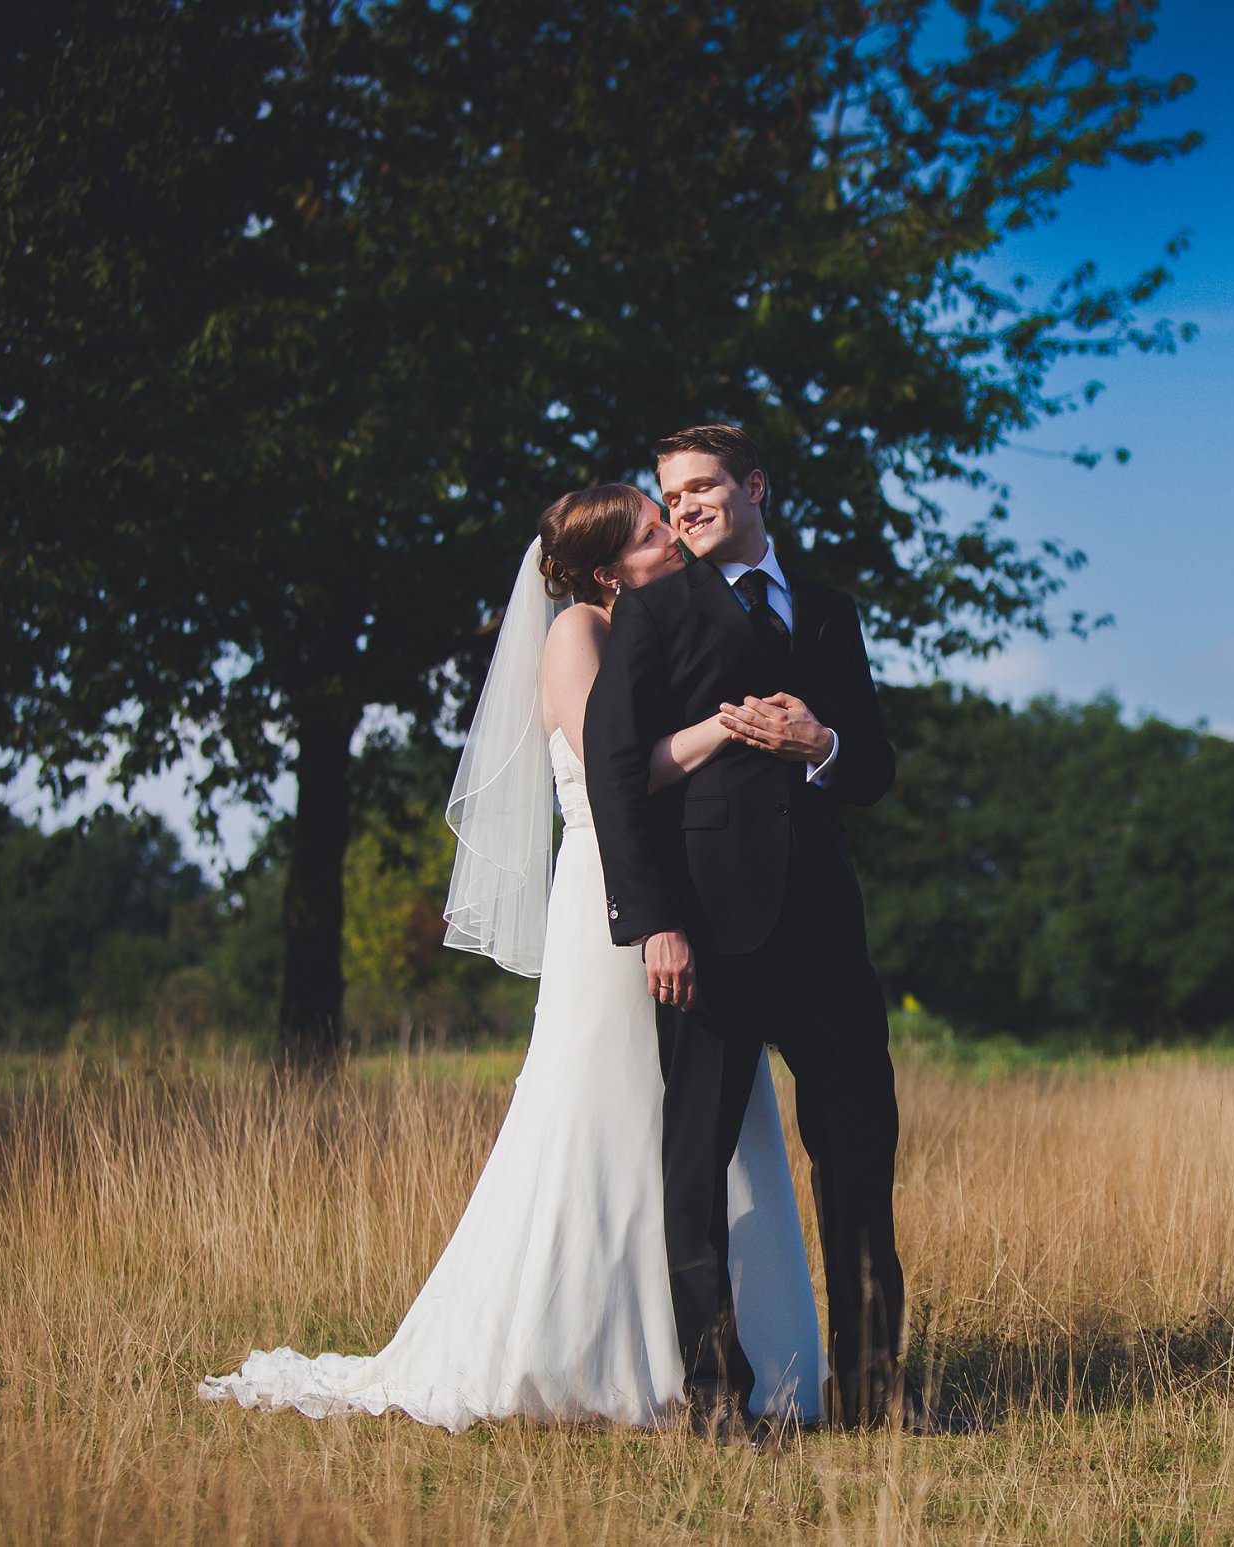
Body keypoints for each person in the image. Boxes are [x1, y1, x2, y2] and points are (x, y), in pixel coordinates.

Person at [199, 485, 824, 1433]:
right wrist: (731, 725)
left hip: (687, 894)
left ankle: (736, 1361)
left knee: (710, 1124)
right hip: (607, 897)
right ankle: (583, 1354)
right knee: (595, 1109)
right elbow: (620, 766)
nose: (673, 534)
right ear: (610, 567)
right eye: (652, 530)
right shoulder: (578, 632)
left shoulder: (675, 617)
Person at [586, 423, 969, 1436]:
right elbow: (614, 769)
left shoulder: (831, 610)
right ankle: (715, 1395)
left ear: (754, 485)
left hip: (825, 931)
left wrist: (824, 742)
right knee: (695, 1161)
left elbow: (876, 766)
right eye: (672, 495)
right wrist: (652, 921)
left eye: (705, 486)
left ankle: (875, 1386)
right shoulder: (655, 611)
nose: (687, 508)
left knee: (857, 1146)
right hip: (705, 930)